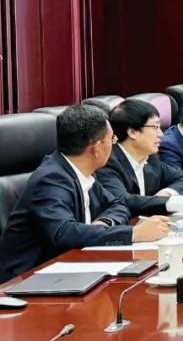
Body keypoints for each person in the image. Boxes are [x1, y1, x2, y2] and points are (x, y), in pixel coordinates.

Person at [0, 105, 170, 282]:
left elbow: (118, 204)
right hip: (30, 280)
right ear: (96, 148)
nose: (113, 145)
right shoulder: (51, 179)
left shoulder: (82, 171)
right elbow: (64, 232)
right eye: (112, 140)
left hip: (72, 268)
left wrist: (104, 222)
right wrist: (134, 233)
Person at [97, 99, 183, 216]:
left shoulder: (151, 158)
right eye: (155, 127)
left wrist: (166, 194)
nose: (161, 134)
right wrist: (180, 202)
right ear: (132, 132)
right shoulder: (107, 162)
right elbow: (123, 201)